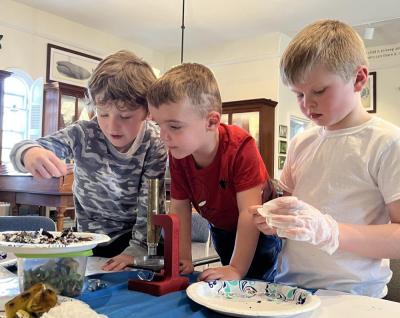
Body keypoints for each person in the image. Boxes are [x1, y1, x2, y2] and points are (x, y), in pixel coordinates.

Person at [251, 20, 400, 298]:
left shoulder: (387, 142)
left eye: (319, 91)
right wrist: (276, 223)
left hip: (353, 294)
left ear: (359, 79)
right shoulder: (301, 141)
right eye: (299, 94)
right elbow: (293, 216)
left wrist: (330, 232)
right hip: (289, 287)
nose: (307, 104)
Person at [10, 50, 167, 271]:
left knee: (155, 268)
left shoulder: (154, 142)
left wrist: (138, 250)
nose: (112, 127)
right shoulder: (84, 133)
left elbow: (151, 205)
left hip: (133, 240)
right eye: (103, 114)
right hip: (88, 237)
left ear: (147, 112)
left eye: (125, 117)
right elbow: (24, 148)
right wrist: (30, 153)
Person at [147, 63, 281, 281]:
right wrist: (184, 259)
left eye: (174, 126)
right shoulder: (180, 153)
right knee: (224, 280)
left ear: (211, 121)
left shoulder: (241, 147)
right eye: (159, 125)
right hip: (220, 229)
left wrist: (236, 268)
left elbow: (250, 213)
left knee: (255, 283)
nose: (163, 136)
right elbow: (179, 206)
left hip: (259, 231)